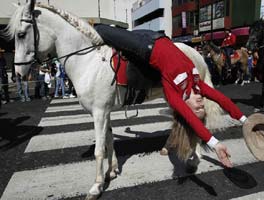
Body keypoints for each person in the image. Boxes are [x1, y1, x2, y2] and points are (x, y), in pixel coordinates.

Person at [95, 25, 248, 168]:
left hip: (147, 48)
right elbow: (222, 99)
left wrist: (215, 144)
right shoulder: (197, 85)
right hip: (162, 37)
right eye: (202, 107)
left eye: (197, 108)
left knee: (101, 29)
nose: (201, 104)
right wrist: (244, 120)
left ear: (187, 107)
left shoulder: (173, 94)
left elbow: (192, 120)